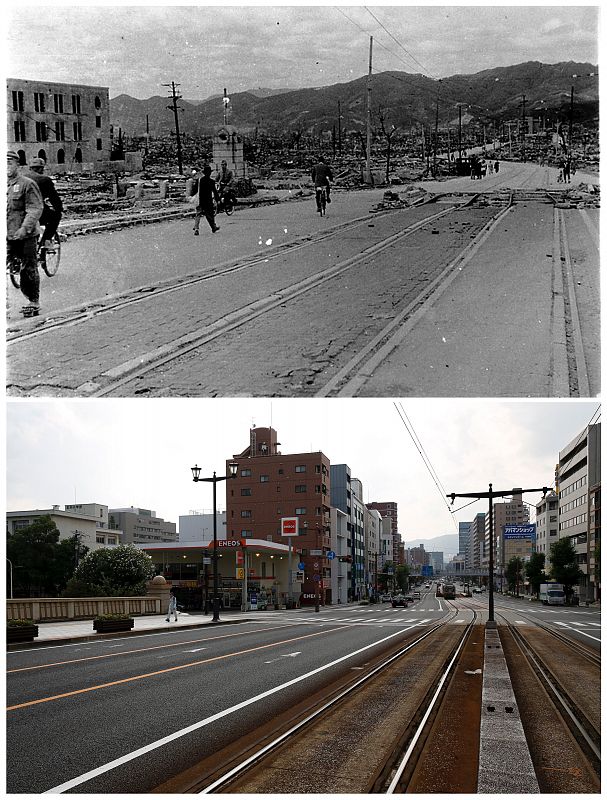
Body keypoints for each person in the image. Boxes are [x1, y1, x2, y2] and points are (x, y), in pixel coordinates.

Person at [6, 150, 44, 315]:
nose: (5, 167)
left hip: (25, 235)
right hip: (7, 234)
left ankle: (33, 301)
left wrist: (25, 228)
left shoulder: (27, 184)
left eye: (9, 163)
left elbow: (35, 208)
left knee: (28, 269)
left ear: (17, 165)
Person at [27, 157, 63, 248]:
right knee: (56, 216)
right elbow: (53, 197)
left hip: (20, 212)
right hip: (37, 213)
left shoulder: (21, 178)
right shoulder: (44, 180)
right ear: (40, 168)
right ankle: (46, 242)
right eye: (42, 169)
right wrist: (59, 208)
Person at [193, 164, 221, 235]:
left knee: (198, 214)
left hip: (200, 200)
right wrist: (218, 200)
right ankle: (213, 227)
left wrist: (193, 196)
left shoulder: (200, 180)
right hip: (208, 201)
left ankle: (196, 228)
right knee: (210, 215)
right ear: (210, 173)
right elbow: (215, 191)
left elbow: (195, 189)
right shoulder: (211, 181)